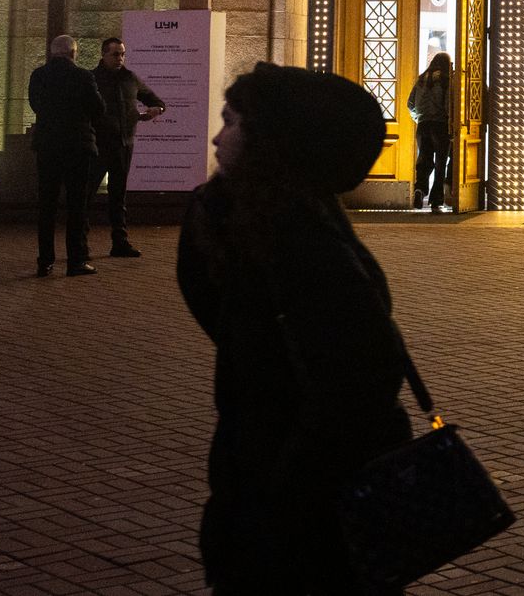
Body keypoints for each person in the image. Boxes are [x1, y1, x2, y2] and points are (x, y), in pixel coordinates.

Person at [177, 63, 415, 595]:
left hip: (306, 524)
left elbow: (357, 386)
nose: (217, 136)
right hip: (287, 504)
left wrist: (279, 497)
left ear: (273, 140)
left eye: (231, 121)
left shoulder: (302, 246)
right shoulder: (274, 227)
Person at [28, 34, 105, 277]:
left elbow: (35, 105)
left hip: (48, 146)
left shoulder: (38, 75)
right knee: (77, 206)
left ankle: (45, 261)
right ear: (73, 53)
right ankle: (76, 260)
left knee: (47, 205)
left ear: (52, 53)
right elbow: (98, 108)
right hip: (77, 147)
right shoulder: (83, 76)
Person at [89, 36, 167, 258]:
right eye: (115, 54)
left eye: (122, 54)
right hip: (100, 144)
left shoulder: (129, 78)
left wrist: (156, 110)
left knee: (118, 195)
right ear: (103, 55)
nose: (120, 58)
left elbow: (155, 100)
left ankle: (120, 242)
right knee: (87, 193)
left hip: (124, 144)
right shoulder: (93, 79)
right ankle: (80, 243)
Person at [407, 52, 453, 212]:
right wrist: (450, 121)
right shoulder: (446, 79)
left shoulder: (421, 78)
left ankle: (420, 189)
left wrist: (419, 118)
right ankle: (436, 199)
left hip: (423, 124)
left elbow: (410, 103)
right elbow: (448, 103)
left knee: (424, 160)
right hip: (440, 125)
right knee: (441, 163)